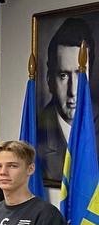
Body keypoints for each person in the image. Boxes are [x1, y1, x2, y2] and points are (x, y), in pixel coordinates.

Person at [37, 17, 94, 183]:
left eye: (80, 75)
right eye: (63, 75)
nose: (73, 91)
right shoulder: (36, 135)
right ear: (49, 80)